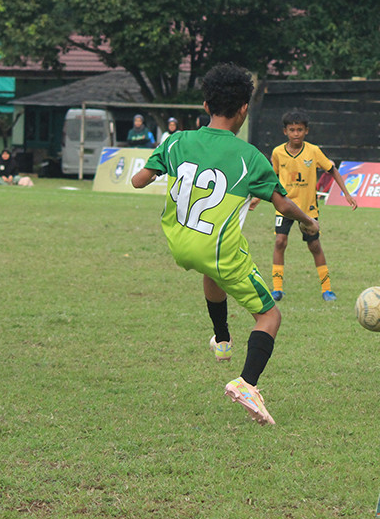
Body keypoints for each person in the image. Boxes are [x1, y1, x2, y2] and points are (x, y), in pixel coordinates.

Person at [131, 63, 319, 426]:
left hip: (181, 243)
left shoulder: (176, 140)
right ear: (244, 109)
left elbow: (139, 181)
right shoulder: (249, 157)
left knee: (210, 274)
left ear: (205, 105)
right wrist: (308, 219)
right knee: (270, 316)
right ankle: (247, 383)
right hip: (218, 249)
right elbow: (282, 204)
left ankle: (222, 339)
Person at [249, 109, 358, 302]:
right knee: (280, 242)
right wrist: (257, 198)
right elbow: (271, 177)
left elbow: (332, 170)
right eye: (292, 130)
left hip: (308, 209)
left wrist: (347, 194)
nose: (296, 134)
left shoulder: (313, 151)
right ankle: (277, 289)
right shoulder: (278, 153)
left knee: (314, 245)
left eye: (299, 129)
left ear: (306, 131)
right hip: (284, 207)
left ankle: (327, 290)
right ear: (285, 132)